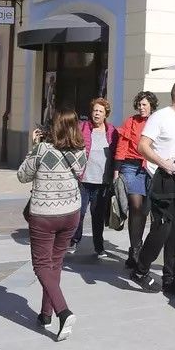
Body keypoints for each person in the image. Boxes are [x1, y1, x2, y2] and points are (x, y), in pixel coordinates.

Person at [19, 110, 88, 340]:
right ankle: (45, 314)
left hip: (45, 215)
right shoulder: (80, 151)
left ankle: (63, 311)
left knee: (41, 265)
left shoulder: (41, 150)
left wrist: (33, 146)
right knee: (55, 264)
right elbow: (79, 173)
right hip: (71, 213)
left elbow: (22, 176)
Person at [131, 81, 175, 294]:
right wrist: (163, 163)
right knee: (163, 228)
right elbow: (142, 146)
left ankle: (170, 278)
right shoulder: (160, 117)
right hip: (162, 179)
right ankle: (140, 269)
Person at [114, 91, 158, 269]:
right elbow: (122, 145)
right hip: (131, 167)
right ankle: (135, 250)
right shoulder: (131, 121)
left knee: (145, 211)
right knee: (136, 206)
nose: (141, 107)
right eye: (139, 104)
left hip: (152, 168)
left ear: (152, 106)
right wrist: (117, 171)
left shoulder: (157, 121)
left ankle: (139, 246)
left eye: (145, 104)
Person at [73, 98, 116, 257]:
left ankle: (99, 246)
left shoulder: (112, 131)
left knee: (98, 216)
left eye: (100, 111)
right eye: (95, 110)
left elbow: (116, 154)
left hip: (102, 182)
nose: (97, 114)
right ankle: (74, 240)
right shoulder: (82, 127)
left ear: (106, 114)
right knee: (80, 213)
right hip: (84, 180)